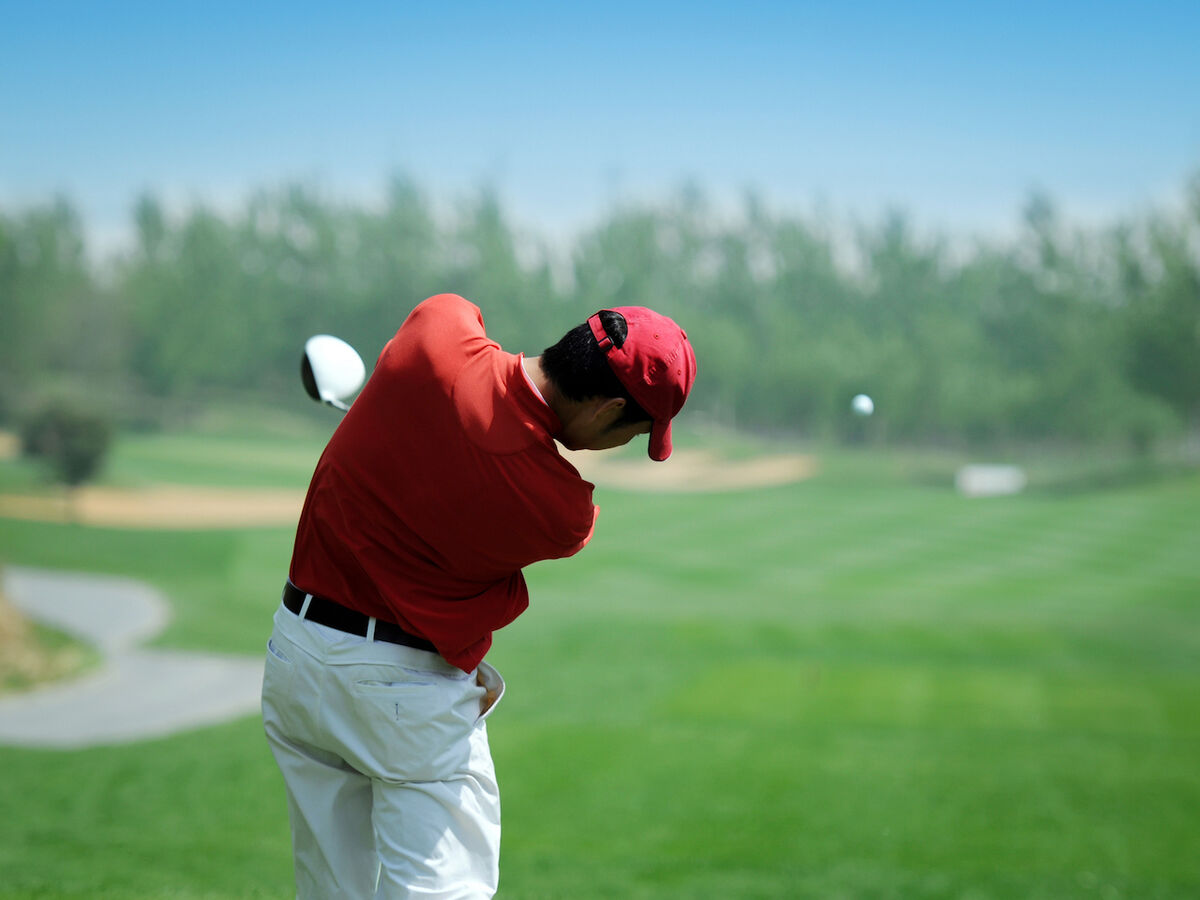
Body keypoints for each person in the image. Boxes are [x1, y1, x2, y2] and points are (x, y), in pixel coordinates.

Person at [261, 292, 697, 898]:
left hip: (294, 656)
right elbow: (496, 590)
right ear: (608, 410)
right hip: (398, 697)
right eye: (638, 431)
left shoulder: (438, 328)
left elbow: (461, 368)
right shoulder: (561, 511)